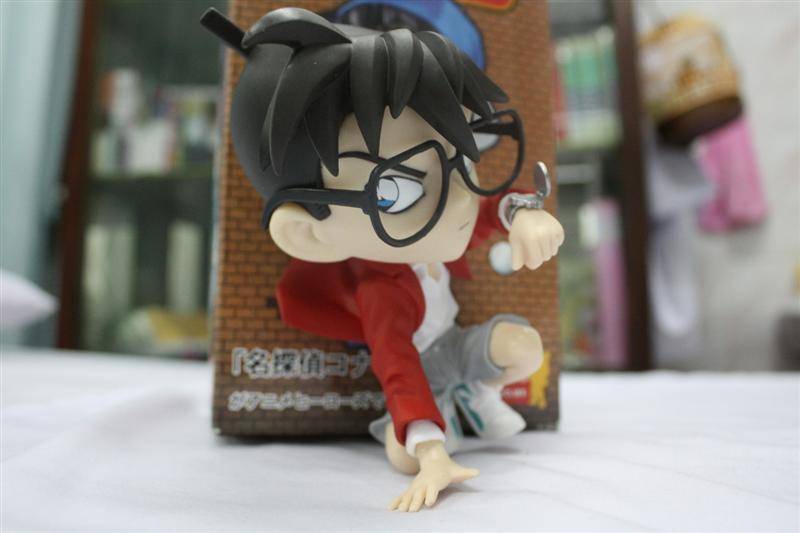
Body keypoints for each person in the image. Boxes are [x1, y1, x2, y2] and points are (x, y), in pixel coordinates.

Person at [202, 6, 564, 512]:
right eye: (396, 190)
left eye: (463, 159)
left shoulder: (439, 227)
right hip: (422, 373)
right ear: (308, 234)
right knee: (404, 452)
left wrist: (524, 213)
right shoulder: (382, 292)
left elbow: (486, 211)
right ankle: (443, 414)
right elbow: (398, 368)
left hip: (454, 348)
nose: (460, 200)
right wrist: (431, 453)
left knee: (524, 346)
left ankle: (474, 396)